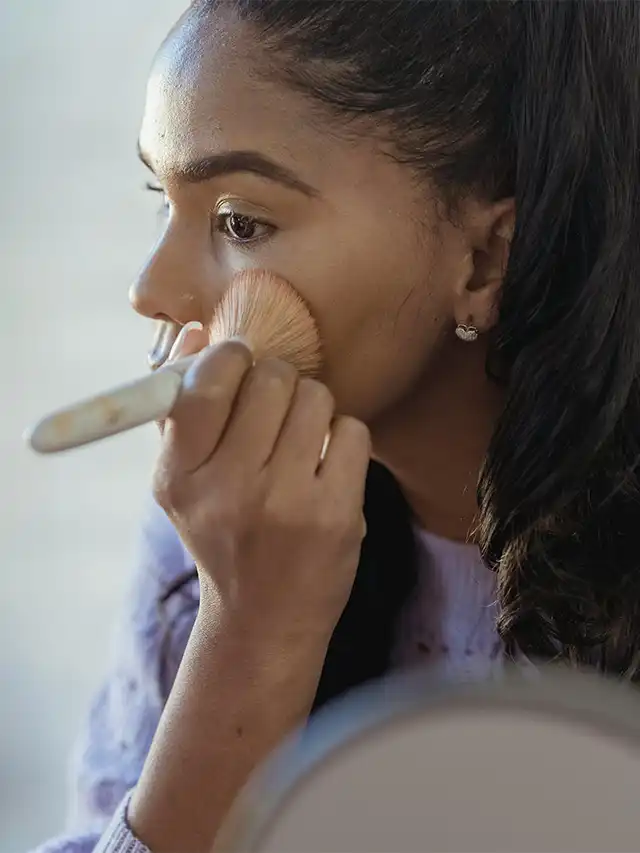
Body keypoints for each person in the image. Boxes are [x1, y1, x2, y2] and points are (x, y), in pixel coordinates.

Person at [33, 1, 640, 852]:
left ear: (486, 258)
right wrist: (245, 635)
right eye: (161, 201)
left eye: (241, 223)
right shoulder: (222, 534)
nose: (151, 290)